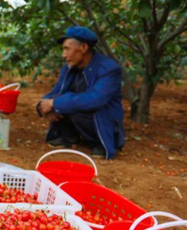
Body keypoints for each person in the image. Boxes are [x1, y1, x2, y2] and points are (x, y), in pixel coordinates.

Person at [37, 26, 125, 159]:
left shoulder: (108, 69)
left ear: (83, 48)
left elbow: (94, 100)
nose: (64, 55)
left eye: (67, 49)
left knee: (71, 104)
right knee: (63, 102)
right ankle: (69, 137)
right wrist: (43, 104)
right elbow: (57, 91)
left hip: (104, 124)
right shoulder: (69, 67)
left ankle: (99, 144)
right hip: (81, 118)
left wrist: (55, 103)